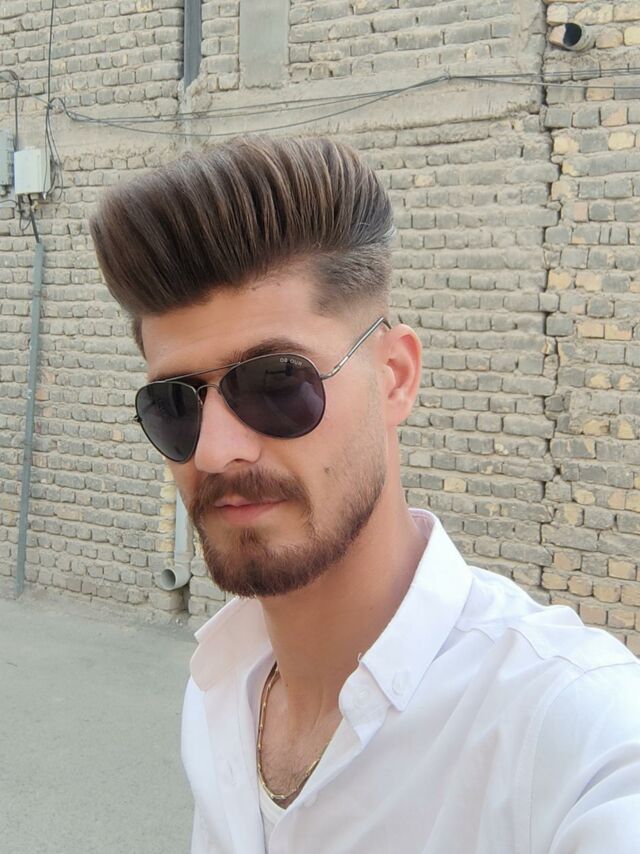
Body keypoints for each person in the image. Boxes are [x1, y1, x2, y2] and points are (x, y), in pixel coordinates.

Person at [90, 136, 640, 854]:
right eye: (175, 403)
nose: (216, 450)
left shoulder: (571, 730)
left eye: (277, 382)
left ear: (395, 377)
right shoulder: (220, 690)